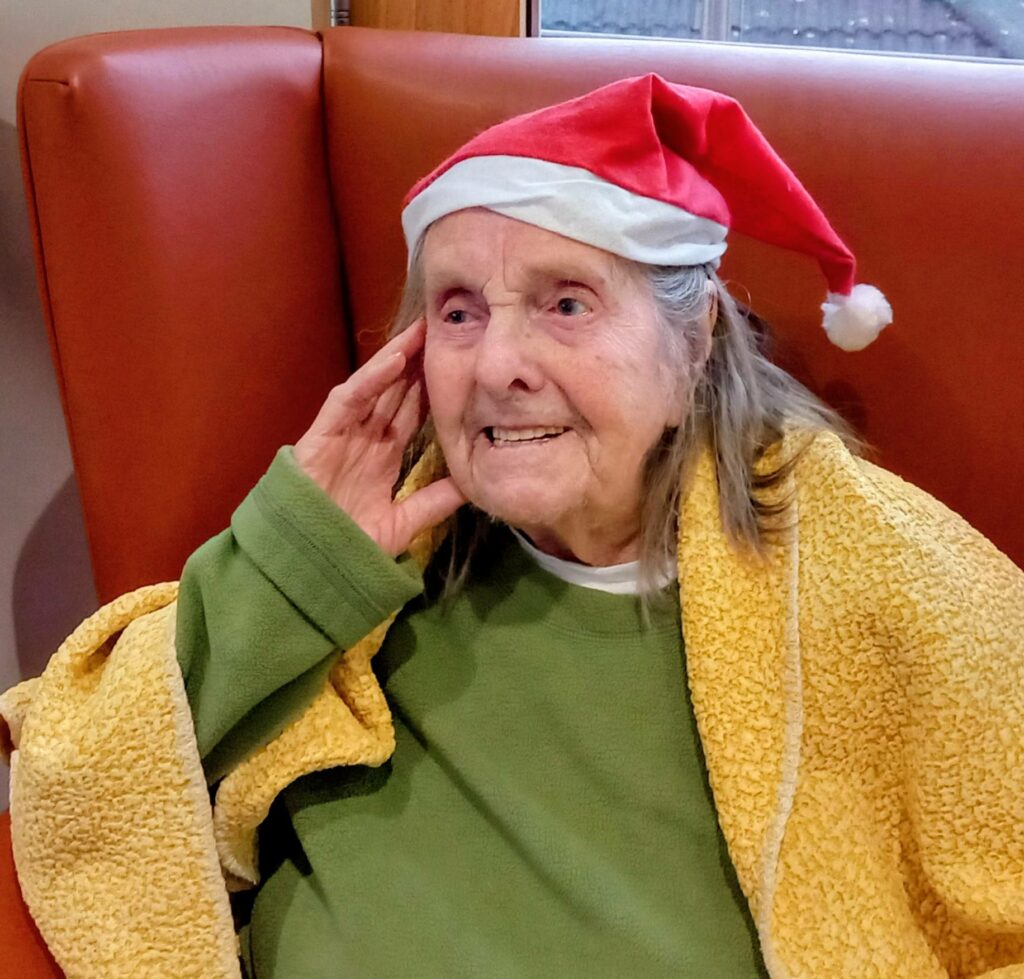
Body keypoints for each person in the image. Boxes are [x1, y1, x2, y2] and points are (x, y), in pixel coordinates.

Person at [2, 74, 1023, 979]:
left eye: (566, 304)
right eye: (457, 311)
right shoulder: (378, 560)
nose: (496, 367)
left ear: (694, 337)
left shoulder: (877, 572)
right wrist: (296, 562)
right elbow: (94, 764)